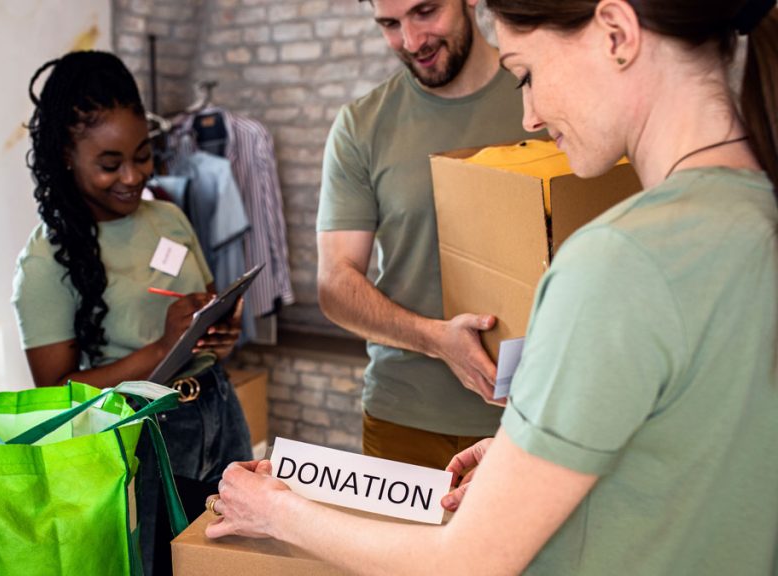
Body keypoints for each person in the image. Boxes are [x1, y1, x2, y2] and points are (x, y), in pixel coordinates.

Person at [207, 0, 778, 574]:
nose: (528, 117)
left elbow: (468, 563)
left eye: (527, 75)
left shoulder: (615, 260)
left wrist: (276, 512)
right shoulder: (753, 210)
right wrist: (526, 452)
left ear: (616, 34)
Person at [12, 50, 252, 575]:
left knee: (234, 560)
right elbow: (57, 394)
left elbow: (205, 314)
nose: (132, 175)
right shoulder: (44, 262)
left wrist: (219, 329)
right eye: (109, 163)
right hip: (141, 441)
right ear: (65, 156)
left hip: (218, 412)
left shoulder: (168, 214)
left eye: (142, 155)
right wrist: (163, 348)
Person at [316, 0, 535, 470]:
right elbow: (336, 284)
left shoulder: (542, 98)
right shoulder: (361, 125)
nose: (412, 42)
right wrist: (437, 340)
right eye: (390, 25)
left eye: (426, 12)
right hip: (404, 417)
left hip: (536, 416)